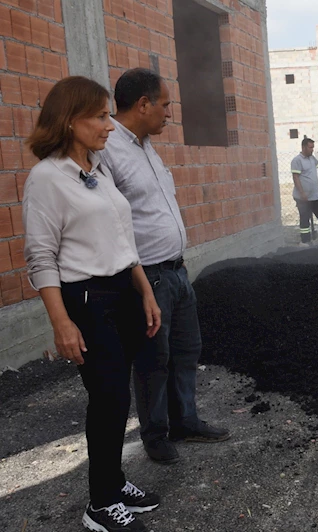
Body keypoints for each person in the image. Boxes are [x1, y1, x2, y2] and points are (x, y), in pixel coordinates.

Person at [23, 76, 162, 532]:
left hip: (122, 290)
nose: (108, 125)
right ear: (69, 120)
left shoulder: (97, 168)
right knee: (109, 398)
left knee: (118, 398)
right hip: (85, 299)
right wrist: (61, 322)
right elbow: (40, 258)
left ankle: (116, 482)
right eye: (100, 116)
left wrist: (144, 290)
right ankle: (100, 503)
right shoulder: (47, 177)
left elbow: (123, 238)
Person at [99, 68, 229, 466]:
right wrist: (138, 284)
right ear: (142, 105)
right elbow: (110, 222)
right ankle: (155, 435)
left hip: (176, 271)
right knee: (153, 359)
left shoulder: (145, 146)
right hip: (147, 277)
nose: (170, 113)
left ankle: (184, 421)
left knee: (186, 350)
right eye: (165, 104)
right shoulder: (107, 151)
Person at [291, 137, 318, 244]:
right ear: (303, 147)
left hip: (314, 197)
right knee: (305, 220)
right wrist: (302, 194)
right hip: (303, 198)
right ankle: (305, 242)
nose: (312, 150)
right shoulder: (297, 160)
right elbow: (295, 178)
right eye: (310, 147)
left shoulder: (312, 158)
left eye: (313, 148)